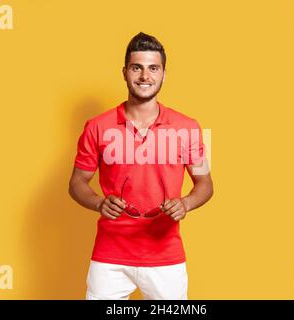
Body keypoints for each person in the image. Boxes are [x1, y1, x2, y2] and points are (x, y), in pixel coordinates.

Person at [68, 32, 213, 300]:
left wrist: (186, 203)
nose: (145, 76)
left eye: (153, 68)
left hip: (165, 255)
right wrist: (99, 202)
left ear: (163, 74)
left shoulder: (188, 127)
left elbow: (205, 184)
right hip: (110, 255)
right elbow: (77, 182)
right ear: (124, 72)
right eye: (137, 68)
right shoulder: (97, 126)